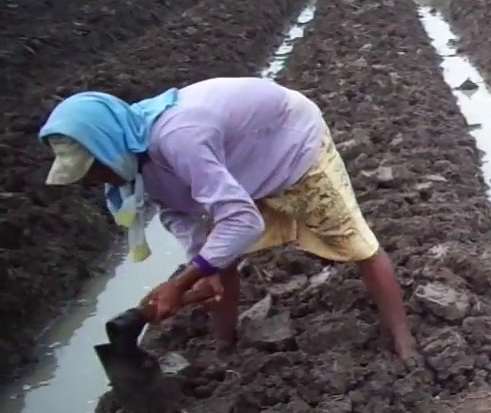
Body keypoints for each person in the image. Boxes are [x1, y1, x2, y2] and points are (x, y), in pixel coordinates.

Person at [38, 76, 419, 362]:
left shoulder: (177, 136)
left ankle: (405, 344)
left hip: (289, 143)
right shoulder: (132, 156)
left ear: (106, 143)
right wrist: (200, 266)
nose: (92, 180)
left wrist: (181, 282)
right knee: (218, 260)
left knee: (357, 244)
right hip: (239, 161)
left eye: (92, 168)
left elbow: (242, 221)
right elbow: (177, 213)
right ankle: (224, 350)